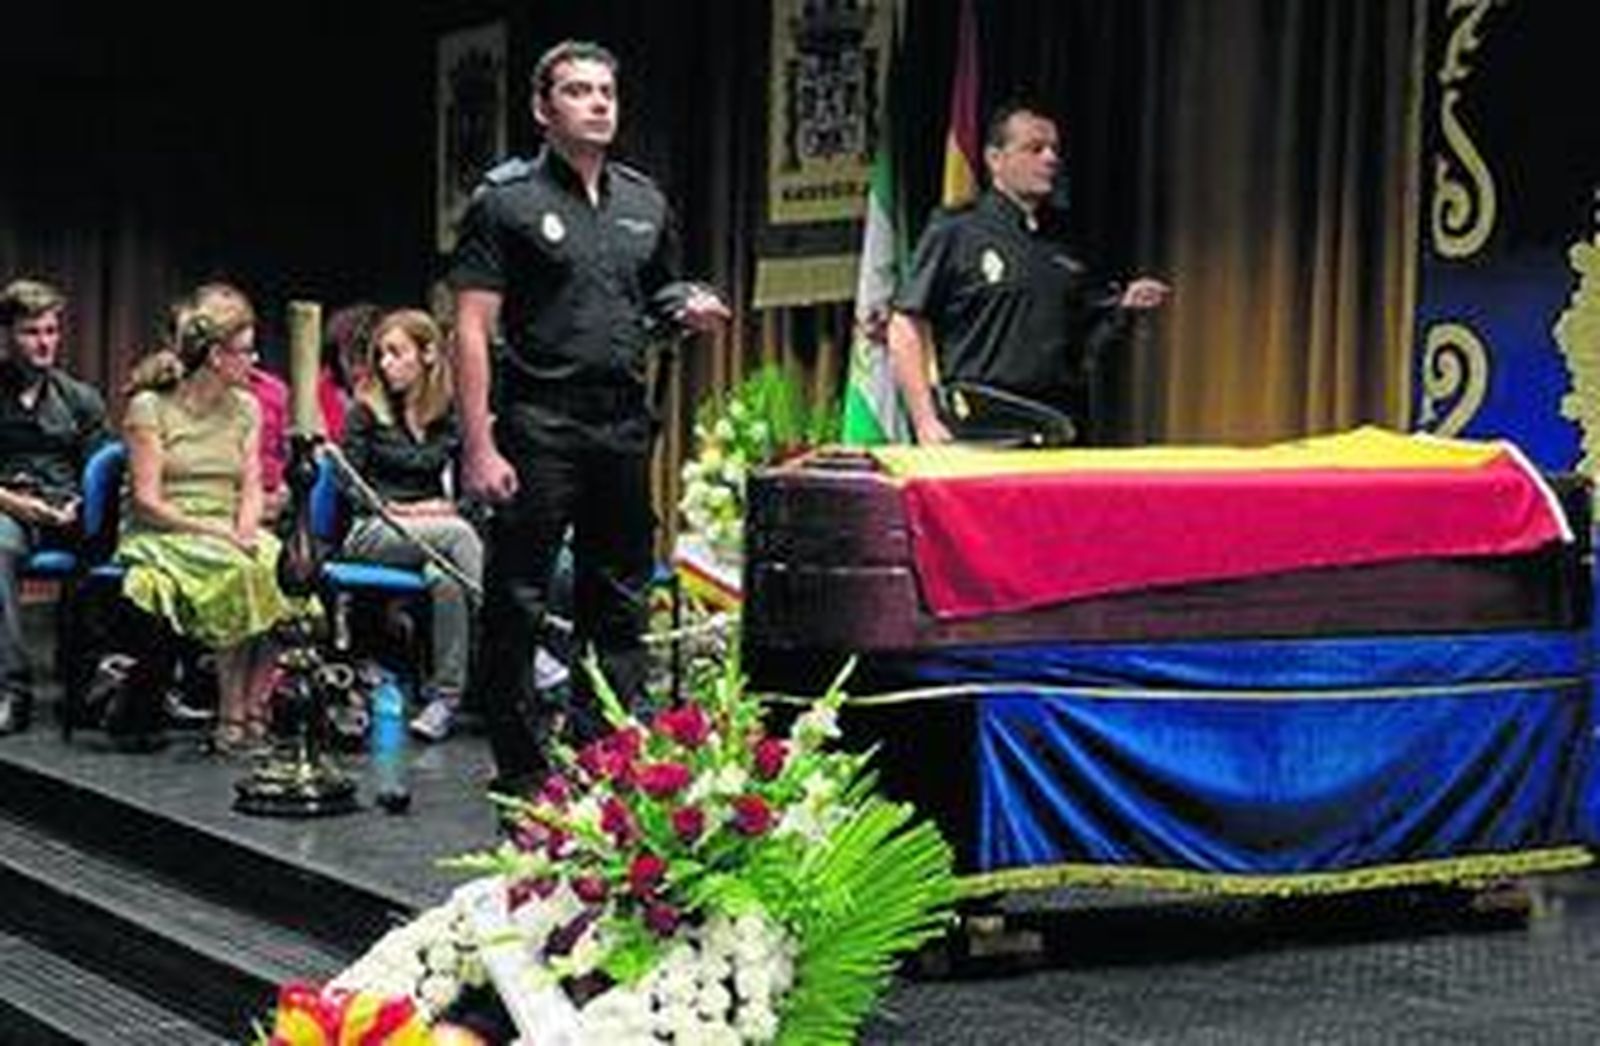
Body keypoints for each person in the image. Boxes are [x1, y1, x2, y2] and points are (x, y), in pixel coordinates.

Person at [451, 39, 729, 792]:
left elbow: (662, 294)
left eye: (607, 90)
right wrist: (479, 444)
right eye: (578, 90)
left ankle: (602, 757)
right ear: (544, 110)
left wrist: (690, 304)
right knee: (519, 596)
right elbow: (472, 326)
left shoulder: (645, 200)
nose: (598, 102)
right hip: (538, 421)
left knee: (620, 596)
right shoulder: (504, 200)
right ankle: (519, 763)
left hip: (621, 423)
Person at [888, 101, 1170, 446]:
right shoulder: (957, 230)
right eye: (1035, 149)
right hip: (983, 428)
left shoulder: (1066, 239)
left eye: (1054, 149)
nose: (1051, 159)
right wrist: (925, 421)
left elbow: (1087, 334)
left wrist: (1125, 305)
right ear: (995, 159)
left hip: (1060, 426)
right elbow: (905, 325)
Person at [118, 283, 295, 753]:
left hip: (229, 524)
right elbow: (147, 502)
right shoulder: (150, 408)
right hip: (166, 530)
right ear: (216, 356)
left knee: (285, 572)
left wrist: (245, 527)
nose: (252, 362)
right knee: (236, 571)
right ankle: (229, 717)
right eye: (244, 352)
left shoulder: (248, 407)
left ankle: (257, 708)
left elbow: (253, 484)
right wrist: (220, 532)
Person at [340, 307, 483, 742]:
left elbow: (472, 495)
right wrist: (412, 512)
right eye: (381, 354)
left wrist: (448, 507)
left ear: (427, 355)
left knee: (446, 579)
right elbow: (351, 488)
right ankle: (511, 649)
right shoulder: (365, 412)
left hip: (434, 538)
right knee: (457, 536)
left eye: (396, 353)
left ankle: (444, 700)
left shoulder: (448, 415)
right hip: (373, 530)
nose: (385, 364)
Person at [0, 278, 110, 734]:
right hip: (8, 506)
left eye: (50, 331)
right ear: (6, 335)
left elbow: (103, 468)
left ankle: (92, 685)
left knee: (114, 543)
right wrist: (22, 507)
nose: (44, 342)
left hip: (67, 508)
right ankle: (12, 688)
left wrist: (81, 507)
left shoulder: (80, 398)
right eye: (31, 332)